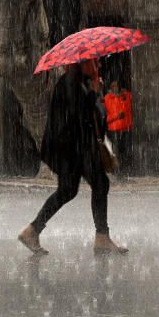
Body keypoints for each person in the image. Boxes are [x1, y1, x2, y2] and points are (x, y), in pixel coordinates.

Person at [18, 58, 128, 255]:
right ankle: (101, 237)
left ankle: (33, 230)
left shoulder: (79, 82)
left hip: (74, 148)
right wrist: (94, 94)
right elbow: (77, 116)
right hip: (70, 149)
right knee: (97, 184)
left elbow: (95, 120)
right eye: (95, 62)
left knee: (70, 190)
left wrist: (96, 94)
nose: (99, 65)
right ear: (82, 63)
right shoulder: (69, 83)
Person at [104, 80, 133, 176]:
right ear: (110, 87)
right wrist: (117, 116)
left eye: (117, 86)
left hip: (126, 128)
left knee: (125, 149)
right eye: (113, 86)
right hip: (114, 129)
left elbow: (129, 107)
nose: (115, 88)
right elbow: (105, 117)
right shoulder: (107, 98)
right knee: (115, 150)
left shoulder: (126, 96)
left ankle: (125, 169)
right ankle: (116, 170)